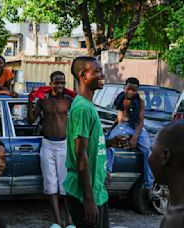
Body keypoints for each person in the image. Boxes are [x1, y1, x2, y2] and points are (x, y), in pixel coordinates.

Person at [64, 56, 127, 228]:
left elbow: (89, 146)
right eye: (97, 71)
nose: (102, 74)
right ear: (83, 75)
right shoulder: (83, 108)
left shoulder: (88, 105)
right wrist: (89, 199)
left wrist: (109, 143)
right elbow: (80, 154)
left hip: (97, 189)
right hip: (86, 194)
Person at [27, 71, 74, 228]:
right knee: (50, 184)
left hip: (64, 145)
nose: (59, 85)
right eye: (56, 82)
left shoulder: (69, 100)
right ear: (51, 83)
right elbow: (31, 120)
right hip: (47, 145)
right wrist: (30, 102)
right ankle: (57, 221)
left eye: (62, 83)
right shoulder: (43, 100)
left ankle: (69, 220)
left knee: (65, 185)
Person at [106, 77, 155, 199]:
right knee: (109, 144)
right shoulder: (120, 99)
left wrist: (135, 138)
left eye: (134, 90)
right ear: (124, 87)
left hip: (136, 126)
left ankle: (149, 185)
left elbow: (141, 122)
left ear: (137, 90)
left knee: (147, 151)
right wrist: (112, 130)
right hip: (123, 125)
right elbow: (120, 119)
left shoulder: (141, 102)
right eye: (129, 89)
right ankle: (107, 174)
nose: (131, 92)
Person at [149, 120, 184, 228]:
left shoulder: (177, 220)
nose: (149, 158)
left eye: (152, 150)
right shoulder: (174, 205)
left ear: (165, 156)